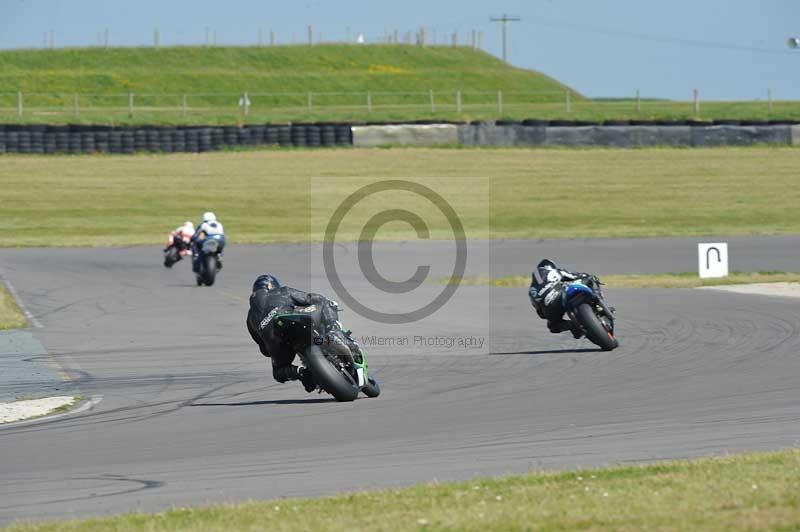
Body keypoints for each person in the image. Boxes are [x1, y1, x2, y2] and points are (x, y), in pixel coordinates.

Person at [246, 274, 362, 392]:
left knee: (278, 372)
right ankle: (333, 330)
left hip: (278, 341)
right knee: (324, 301)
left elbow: (265, 351)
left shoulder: (250, 318)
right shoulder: (282, 291)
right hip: (297, 321)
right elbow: (310, 298)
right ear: (274, 286)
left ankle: (301, 373)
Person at [528, 259, 585, 338]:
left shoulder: (532, 288)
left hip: (549, 307)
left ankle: (573, 326)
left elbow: (540, 312)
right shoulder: (553, 271)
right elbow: (573, 276)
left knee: (553, 326)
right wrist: (583, 276)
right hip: (559, 295)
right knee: (590, 280)